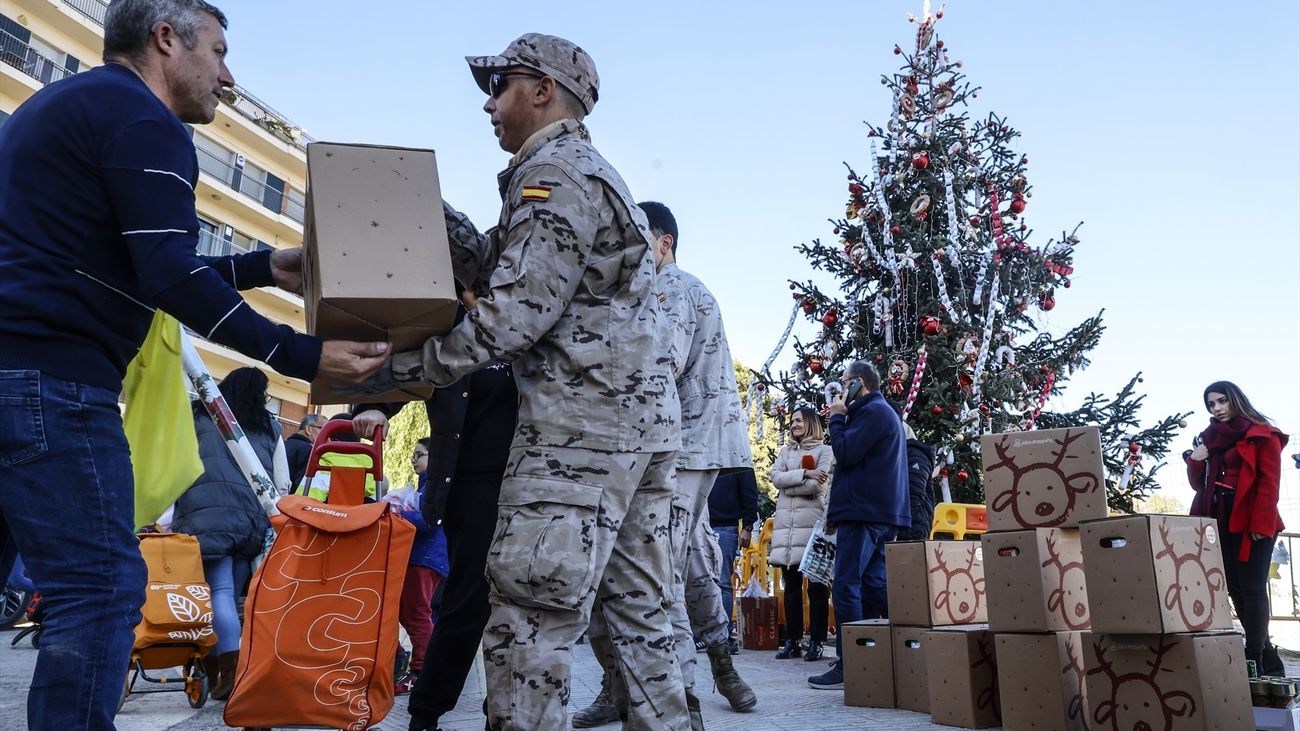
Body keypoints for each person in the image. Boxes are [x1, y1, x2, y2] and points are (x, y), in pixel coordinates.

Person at [0, 2, 387, 727]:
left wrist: (264, 264)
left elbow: (138, 265)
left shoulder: (63, 107)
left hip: (13, 367)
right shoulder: (147, 121)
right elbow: (169, 276)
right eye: (218, 50)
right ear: (166, 39)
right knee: (103, 589)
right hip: (51, 381)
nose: (228, 75)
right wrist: (299, 353)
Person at [347, 34, 687, 730]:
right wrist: (424, 211)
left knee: (529, 619)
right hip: (633, 428)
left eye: (499, 87)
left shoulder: (556, 176)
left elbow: (509, 319)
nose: (489, 105)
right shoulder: (570, 175)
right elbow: (505, 269)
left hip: (578, 432)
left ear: (543, 91)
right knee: (639, 623)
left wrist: (389, 377)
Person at [577, 202, 756, 728]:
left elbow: (657, 361)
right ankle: (696, 678)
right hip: (686, 452)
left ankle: (683, 700)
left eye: (638, 239)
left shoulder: (670, 288)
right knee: (687, 561)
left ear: (663, 243)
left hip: (677, 449)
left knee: (655, 577)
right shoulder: (683, 287)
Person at [354, 352, 517, 731]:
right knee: (468, 599)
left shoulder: (535, 314)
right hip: (468, 485)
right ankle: (426, 712)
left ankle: (508, 709)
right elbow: (414, 358)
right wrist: (376, 405)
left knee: (524, 602)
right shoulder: (454, 322)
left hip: (535, 481)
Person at [170, 367, 288, 700]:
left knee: (214, 593)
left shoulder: (200, 415)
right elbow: (281, 483)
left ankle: (226, 672)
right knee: (231, 595)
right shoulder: (270, 428)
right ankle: (224, 672)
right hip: (250, 519)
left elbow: (178, 462)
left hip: (205, 514)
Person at [808, 361, 909, 691]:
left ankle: (850, 662)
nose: (839, 389)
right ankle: (909, 637)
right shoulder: (879, 412)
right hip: (877, 512)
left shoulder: (872, 411)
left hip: (864, 512)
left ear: (858, 384)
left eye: (843, 382)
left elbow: (846, 452)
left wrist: (836, 419)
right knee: (872, 585)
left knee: (846, 583)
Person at [1185, 380, 1289, 675]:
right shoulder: (1209, 439)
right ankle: (1267, 657)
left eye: (1221, 401)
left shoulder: (1261, 435)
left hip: (1252, 516)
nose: (1216, 409)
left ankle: (1253, 654)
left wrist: (1261, 523)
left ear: (1234, 400)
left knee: (1253, 587)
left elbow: (1269, 484)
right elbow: (1198, 484)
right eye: (1210, 404)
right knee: (1234, 587)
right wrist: (1195, 460)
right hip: (1218, 517)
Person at [768, 406, 834, 662]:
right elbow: (775, 479)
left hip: (814, 526)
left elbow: (819, 486)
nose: (793, 424)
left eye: (798, 420)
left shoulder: (825, 451)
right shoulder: (785, 452)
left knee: (817, 586)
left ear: (810, 423)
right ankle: (793, 640)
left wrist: (790, 482)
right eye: (792, 420)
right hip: (787, 529)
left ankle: (816, 641)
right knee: (791, 586)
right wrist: (806, 473)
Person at [391, 439, 450, 695]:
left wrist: (396, 513)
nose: (414, 459)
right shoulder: (426, 485)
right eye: (413, 454)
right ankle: (414, 663)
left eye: (420, 454)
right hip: (422, 558)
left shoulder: (435, 486)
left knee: (416, 615)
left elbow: (429, 521)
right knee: (407, 613)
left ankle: (422, 671)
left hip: (425, 559)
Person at [709, 467, 760, 653]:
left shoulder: (736, 454)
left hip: (725, 525)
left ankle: (724, 635)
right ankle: (703, 634)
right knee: (697, 581)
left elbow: (749, 492)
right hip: (698, 522)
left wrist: (747, 525)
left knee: (722, 582)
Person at [285, 413, 326, 489]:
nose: (326, 434)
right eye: (323, 429)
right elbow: (301, 484)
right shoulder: (310, 451)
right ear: (308, 429)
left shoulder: (283, 444)